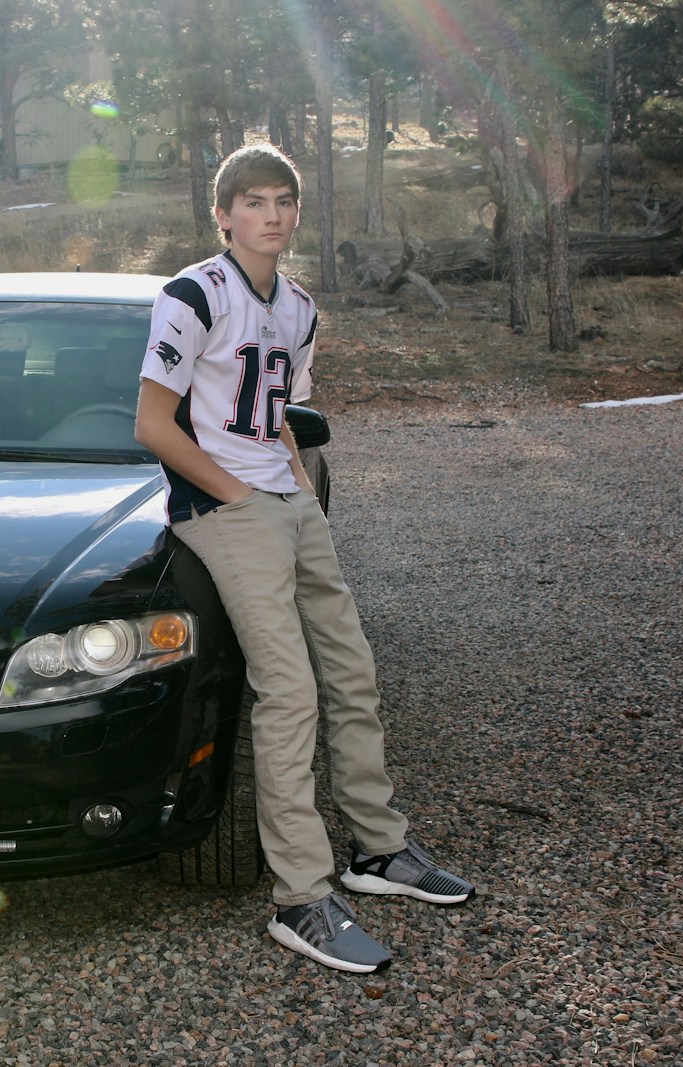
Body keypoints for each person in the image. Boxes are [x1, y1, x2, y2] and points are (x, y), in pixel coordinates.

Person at [134, 143, 472, 974]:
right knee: (286, 689)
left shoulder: (300, 306)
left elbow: (279, 411)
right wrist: (238, 496)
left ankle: (379, 849)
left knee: (351, 669)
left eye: (283, 200)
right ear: (223, 214)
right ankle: (300, 896)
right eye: (253, 201)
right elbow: (152, 424)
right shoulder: (193, 294)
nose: (272, 214)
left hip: (287, 500)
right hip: (224, 509)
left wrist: (291, 487)